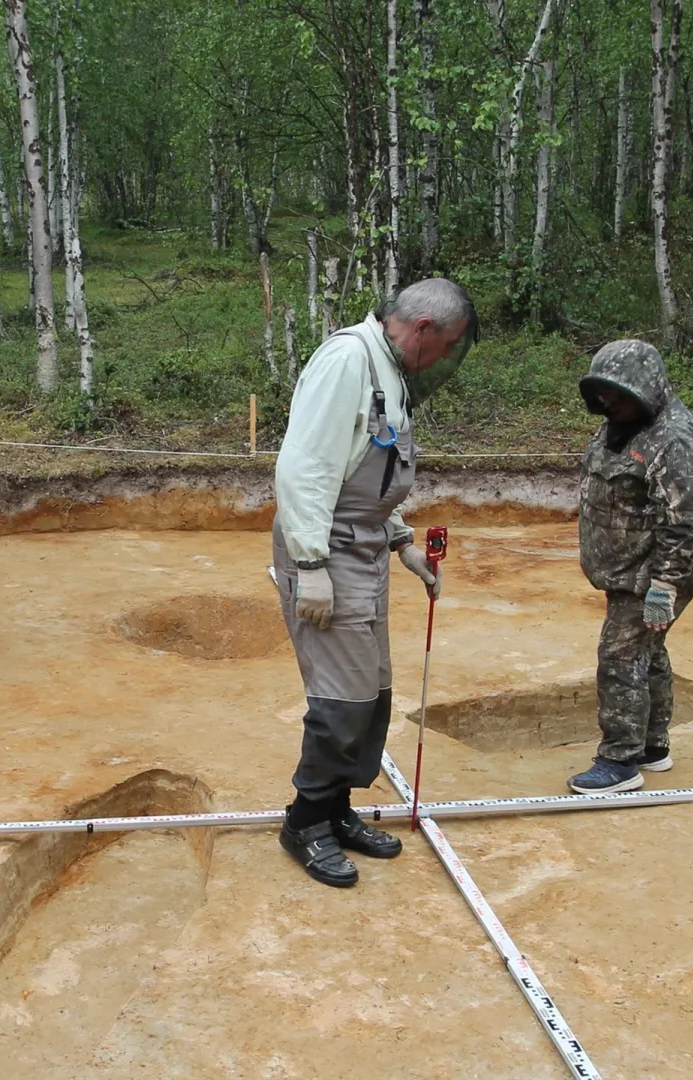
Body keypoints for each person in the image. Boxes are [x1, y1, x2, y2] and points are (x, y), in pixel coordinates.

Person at [272, 278, 476, 888]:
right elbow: (305, 469)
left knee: (371, 688)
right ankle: (304, 820)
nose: (445, 358)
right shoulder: (347, 362)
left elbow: (365, 471)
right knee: (343, 697)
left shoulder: (384, 367)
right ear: (421, 330)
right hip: (326, 549)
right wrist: (309, 566)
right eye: (447, 346)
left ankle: (334, 810)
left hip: (360, 545)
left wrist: (401, 540)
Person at [568, 340, 693, 794]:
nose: (608, 402)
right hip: (626, 572)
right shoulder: (623, 425)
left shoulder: (675, 440)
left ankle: (620, 760)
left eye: (618, 394)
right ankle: (653, 745)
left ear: (646, 390)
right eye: (603, 394)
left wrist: (664, 587)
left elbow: (687, 521)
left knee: (620, 656)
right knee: (647, 653)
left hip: (651, 576)